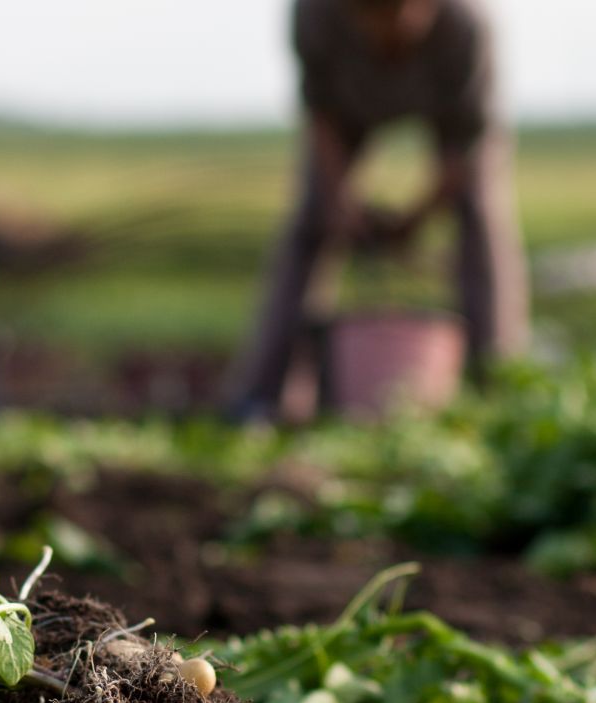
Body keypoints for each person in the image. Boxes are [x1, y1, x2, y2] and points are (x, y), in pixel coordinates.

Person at [223, 0, 528, 422]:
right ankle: (263, 394)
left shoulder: (466, 25)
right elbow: (320, 113)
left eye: (404, 13)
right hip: (348, 108)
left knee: (481, 217)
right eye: (376, 18)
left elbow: (468, 145)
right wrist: (339, 200)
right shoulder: (315, 14)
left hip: (452, 116)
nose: (392, 29)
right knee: (311, 222)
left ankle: (497, 382)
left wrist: (416, 218)